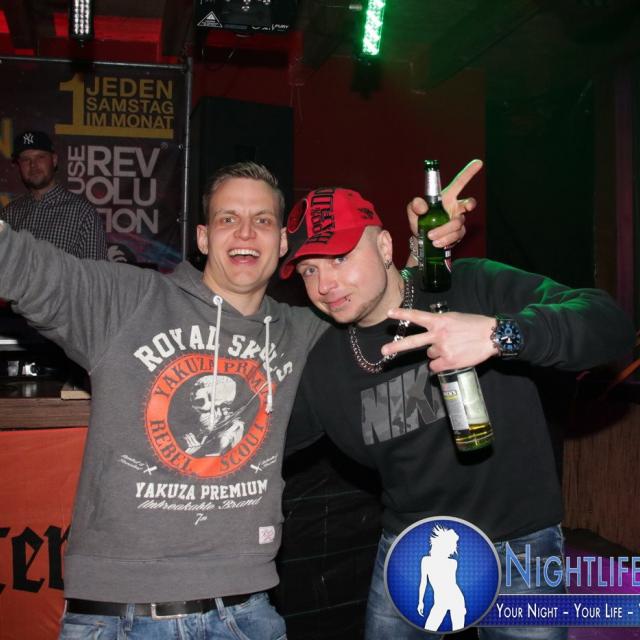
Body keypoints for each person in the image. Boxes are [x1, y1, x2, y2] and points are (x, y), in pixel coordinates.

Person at [0, 160, 470, 639]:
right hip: (120, 615)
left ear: (282, 244)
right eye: (228, 218)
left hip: (246, 614)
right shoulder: (125, 302)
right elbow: (16, 261)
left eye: (262, 220)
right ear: (204, 238)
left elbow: (379, 303)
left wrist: (426, 251)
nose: (245, 233)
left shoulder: (305, 331)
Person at [281, 185, 635, 640]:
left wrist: (501, 334)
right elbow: (266, 447)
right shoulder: (325, 364)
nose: (324, 284)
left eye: (339, 257)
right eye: (309, 269)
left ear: (385, 246)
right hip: (413, 545)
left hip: (519, 545)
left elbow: (609, 323)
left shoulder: (470, 285)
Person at [3, 129, 107, 260]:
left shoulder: (83, 214)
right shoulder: (10, 214)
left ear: (54, 160)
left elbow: (95, 271)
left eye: (40, 157)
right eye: (25, 159)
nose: (33, 165)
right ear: (19, 166)